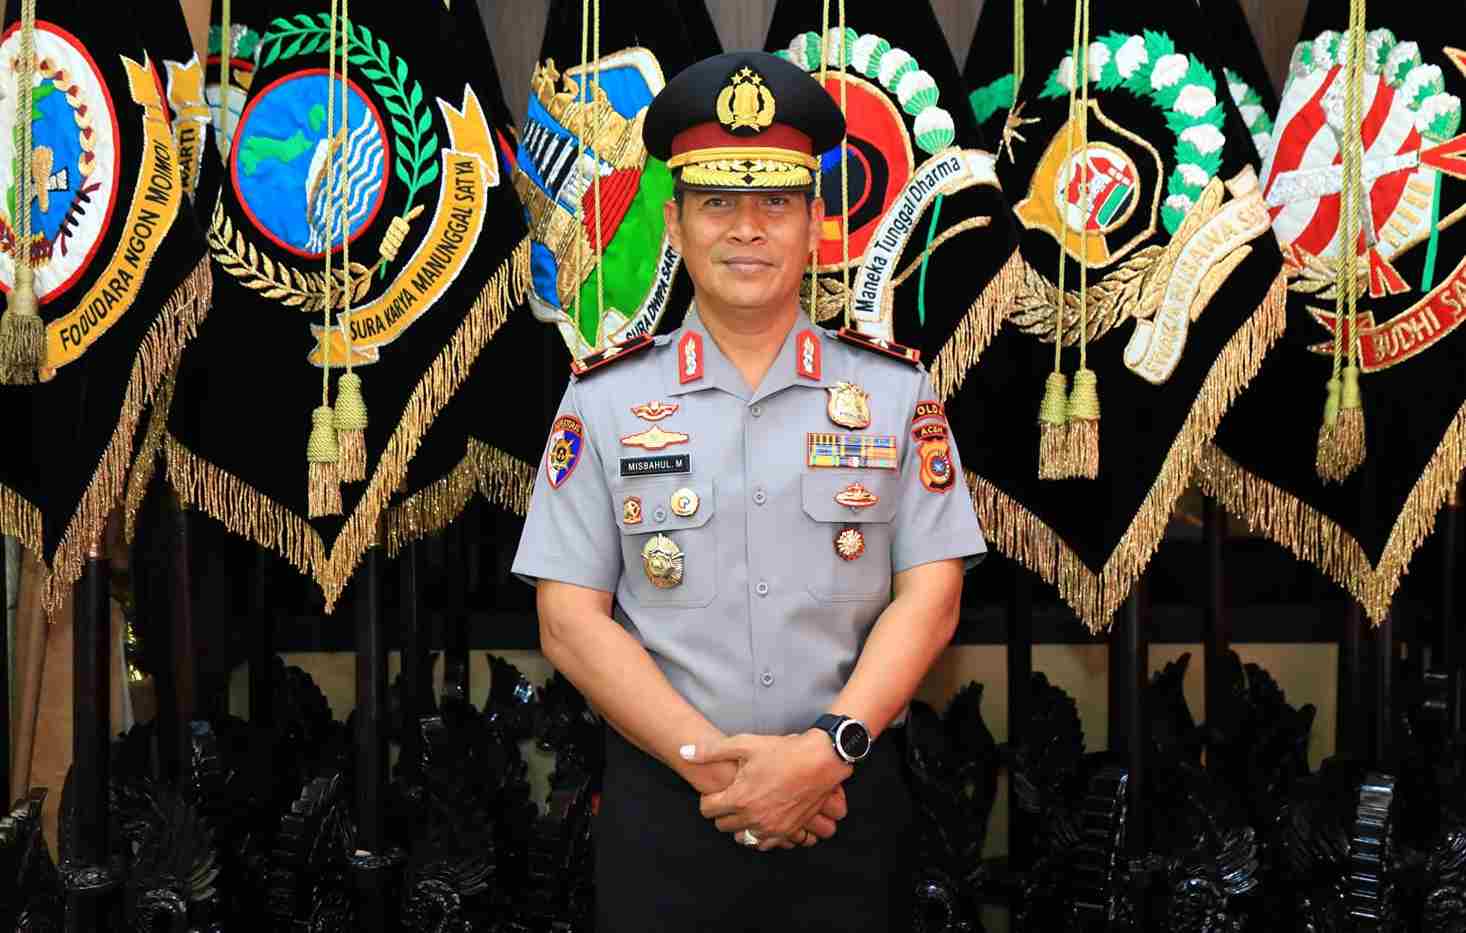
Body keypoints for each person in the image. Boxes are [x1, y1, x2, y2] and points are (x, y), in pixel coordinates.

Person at [512, 50, 986, 932]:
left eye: (775, 202)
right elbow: (567, 620)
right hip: (667, 819)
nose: (747, 230)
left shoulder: (893, 394)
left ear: (815, 223)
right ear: (675, 222)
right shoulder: (604, 400)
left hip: (844, 811)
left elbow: (934, 597)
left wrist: (823, 755)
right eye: (716, 203)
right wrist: (719, 770)